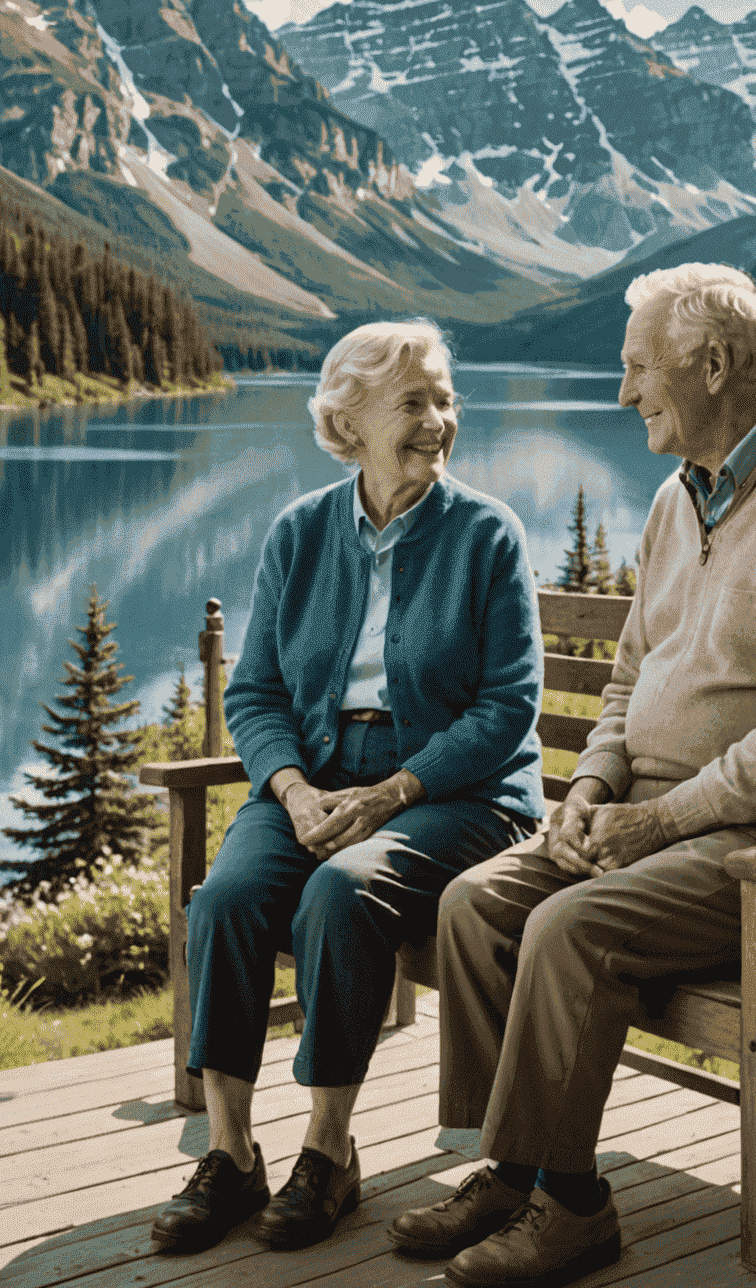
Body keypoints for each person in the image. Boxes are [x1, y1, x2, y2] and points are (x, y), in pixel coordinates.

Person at [388, 263, 756, 1288]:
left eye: (637, 369)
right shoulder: (680, 500)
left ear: (712, 365)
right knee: (476, 903)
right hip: (667, 829)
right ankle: (515, 1168)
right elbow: (635, 671)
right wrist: (594, 786)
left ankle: (574, 1209)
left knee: (569, 928)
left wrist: (666, 818)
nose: (624, 393)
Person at [150, 320, 544, 1256]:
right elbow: (255, 693)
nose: (440, 421)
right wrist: (290, 790)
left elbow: (508, 707)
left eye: (446, 400)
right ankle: (234, 1154)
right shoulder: (299, 533)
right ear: (350, 419)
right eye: (415, 402)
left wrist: (393, 792)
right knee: (230, 898)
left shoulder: (487, 533)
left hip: (463, 792)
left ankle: (328, 1152)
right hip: (315, 782)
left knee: (341, 890)